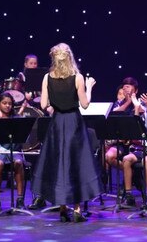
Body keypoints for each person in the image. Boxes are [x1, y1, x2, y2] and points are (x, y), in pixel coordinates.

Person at [31, 42, 100, 223]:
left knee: (60, 163)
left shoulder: (47, 77)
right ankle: (76, 209)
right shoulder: (77, 77)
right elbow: (85, 105)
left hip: (57, 123)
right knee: (75, 163)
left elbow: (43, 104)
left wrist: (55, 106)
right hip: (73, 122)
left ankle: (63, 209)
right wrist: (89, 87)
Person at [0, 91, 29, 213]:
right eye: (4, 103)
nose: (7, 106)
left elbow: (23, 137)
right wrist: (1, 119)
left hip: (13, 152)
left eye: (10, 104)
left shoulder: (16, 119)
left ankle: (20, 200)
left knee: (19, 162)